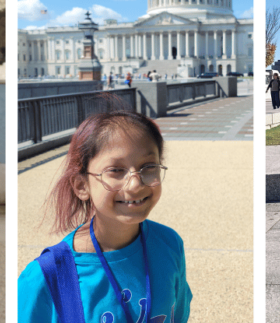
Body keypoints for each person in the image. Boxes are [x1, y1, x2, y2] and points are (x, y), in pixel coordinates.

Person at [18, 110, 192, 322]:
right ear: (82, 185)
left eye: (148, 167)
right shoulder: (45, 278)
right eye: (116, 170)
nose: (135, 184)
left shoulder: (169, 244)